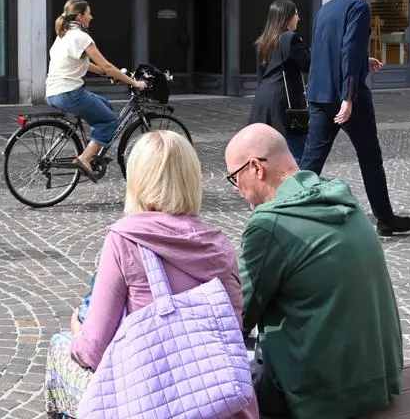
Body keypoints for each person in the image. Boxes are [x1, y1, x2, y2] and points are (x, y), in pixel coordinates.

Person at [45, 130, 258, 419]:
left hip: (155, 401)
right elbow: (233, 324)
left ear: (137, 181)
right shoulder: (220, 246)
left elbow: (93, 350)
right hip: (223, 400)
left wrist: (76, 331)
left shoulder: (125, 239)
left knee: (61, 348)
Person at [225, 123, 404, 419]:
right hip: (379, 378)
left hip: (318, 393)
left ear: (256, 168)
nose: (237, 190)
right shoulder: (340, 199)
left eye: (235, 178)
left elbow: (237, 314)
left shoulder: (269, 225)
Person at [300, 0, 410, 237]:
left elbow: (325, 52)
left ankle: (289, 212)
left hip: (320, 93)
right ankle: (385, 218)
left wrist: (363, 62)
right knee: (370, 157)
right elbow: (349, 49)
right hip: (346, 95)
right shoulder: (358, 7)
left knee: (311, 159)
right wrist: (349, 95)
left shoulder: (324, 10)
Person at [45, 0, 147, 182]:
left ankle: (93, 151)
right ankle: (85, 158)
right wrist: (133, 82)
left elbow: (86, 63)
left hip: (54, 92)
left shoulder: (63, 35)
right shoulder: (81, 37)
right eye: (88, 13)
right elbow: (107, 65)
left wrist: (102, 72)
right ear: (79, 16)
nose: (91, 17)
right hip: (70, 94)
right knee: (109, 121)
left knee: (105, 105)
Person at [249, 0, 310, 162]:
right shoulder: (290, 38)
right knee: (295, 154)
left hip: (263, 102)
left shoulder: (263, 40)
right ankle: (293, 186)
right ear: (287, 16)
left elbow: (260, 75)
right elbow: (308, 64)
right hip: (284, 102)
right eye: (296, 14)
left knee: (267, 151)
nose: (299, 18)